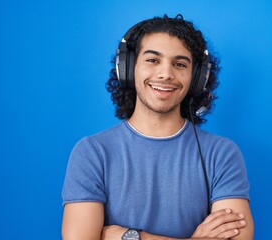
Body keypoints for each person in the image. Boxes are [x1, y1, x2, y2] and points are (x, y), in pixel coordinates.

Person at [61, 14, 254, 240]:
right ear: (128, 68)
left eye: (180, 64)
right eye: (153, 60)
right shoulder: (92, 152)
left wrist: (129, 236)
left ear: (196, 79)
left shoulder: (221, 154)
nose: (166, 74)